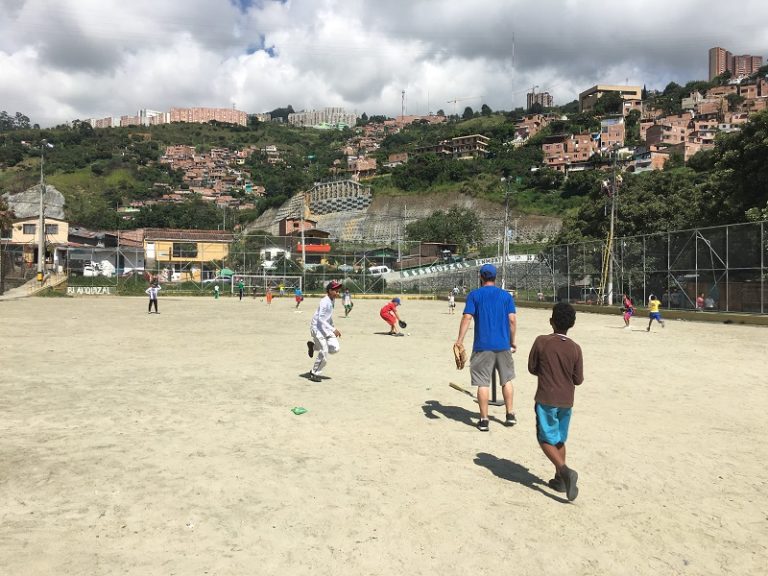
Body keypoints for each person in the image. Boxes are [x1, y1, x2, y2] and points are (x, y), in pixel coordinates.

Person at [527, 302, 584, 502]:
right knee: (559, 438)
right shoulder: (576, 348)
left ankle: (564, 471)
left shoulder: (542, 341)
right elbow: (578, 379)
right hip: (567, 400)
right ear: (573, 324)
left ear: (551, 321)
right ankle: (560, 480)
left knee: (545, 438)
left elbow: (532, 368)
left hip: (546, 398)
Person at [454, 264, 517, 431]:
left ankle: (483, 420)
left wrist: (459, 340)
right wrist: (512, 341)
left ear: (481, 277)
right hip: (503, 345)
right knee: (507, 380)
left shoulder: (474, 295)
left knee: (483, 383)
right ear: (495, 277)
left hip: (482, 346)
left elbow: (467, 318)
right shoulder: (506, 296)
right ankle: (510, 415)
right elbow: (512, 320)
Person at [306, 280, 343, 382]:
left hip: (325, 328)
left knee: (335, 348)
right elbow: (321, 319)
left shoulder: (332, 300)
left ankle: (313, 347)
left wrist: (332, 326)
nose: (338, 293)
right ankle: (314, 373)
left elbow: (328, 317)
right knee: (324, 351)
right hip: (317, 328)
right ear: (330, 290)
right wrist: (333, 329)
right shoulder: (324, 301)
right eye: (336, 290)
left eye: (338, 291)